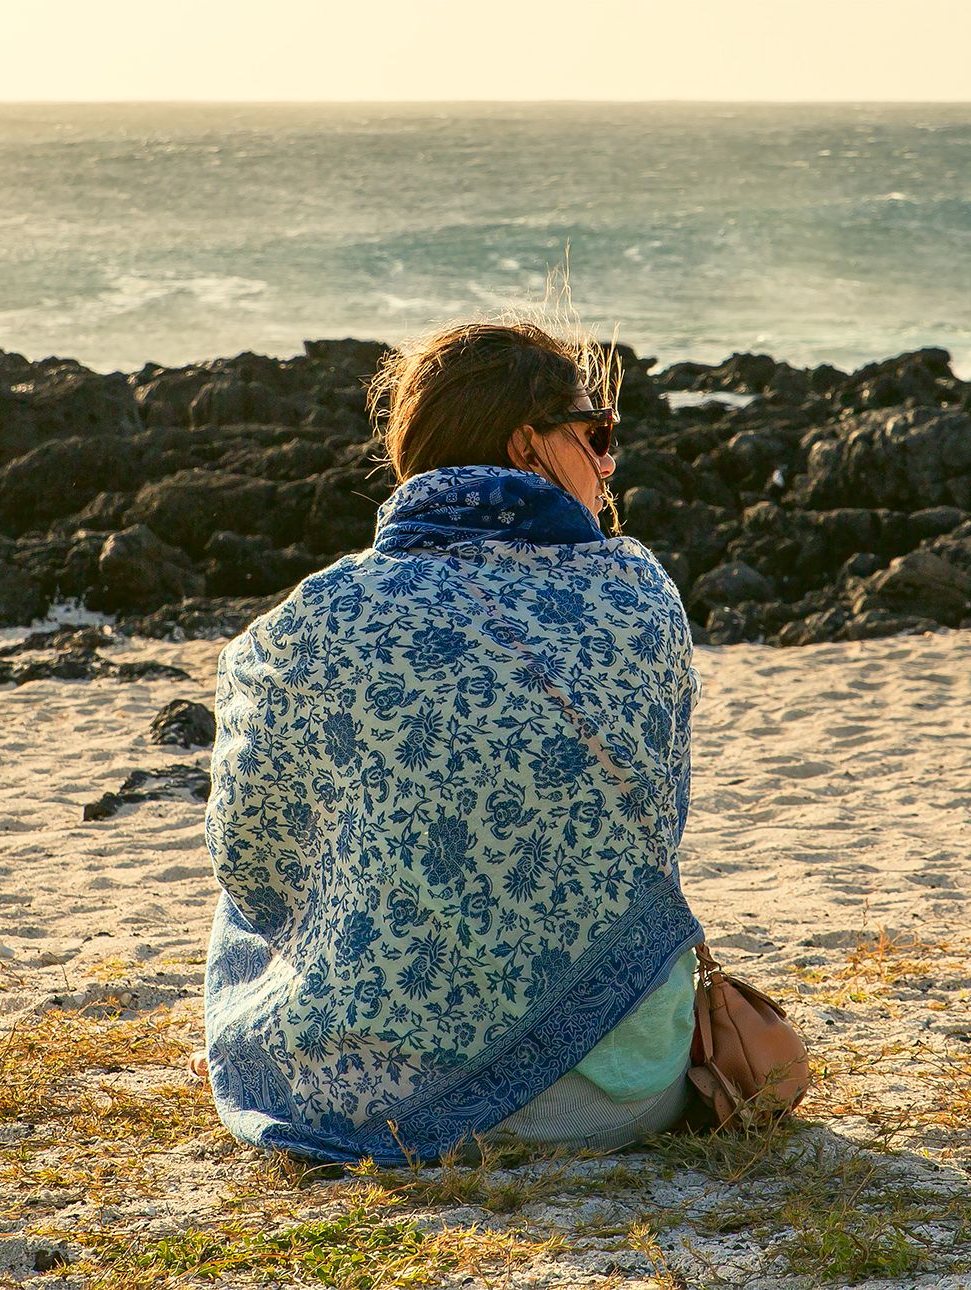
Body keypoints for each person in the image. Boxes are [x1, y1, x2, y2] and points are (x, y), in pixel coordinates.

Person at [199, 318, 704, 1165]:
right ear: (526, 445)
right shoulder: (639, 593)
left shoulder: (305, 627)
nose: (609, 464)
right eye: (598, 434)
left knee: (263, 892)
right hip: (627, 1093)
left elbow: (247, 858)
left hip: (382, 1100)